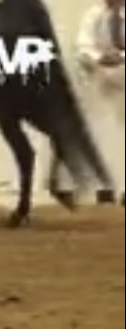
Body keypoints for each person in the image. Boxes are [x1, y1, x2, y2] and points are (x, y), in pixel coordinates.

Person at [74, 0, 124, 204]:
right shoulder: (93, 15)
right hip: (102, 78)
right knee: (104, 135)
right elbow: (83, 46)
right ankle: (106, 187)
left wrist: (120, 56)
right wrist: (100, 57)